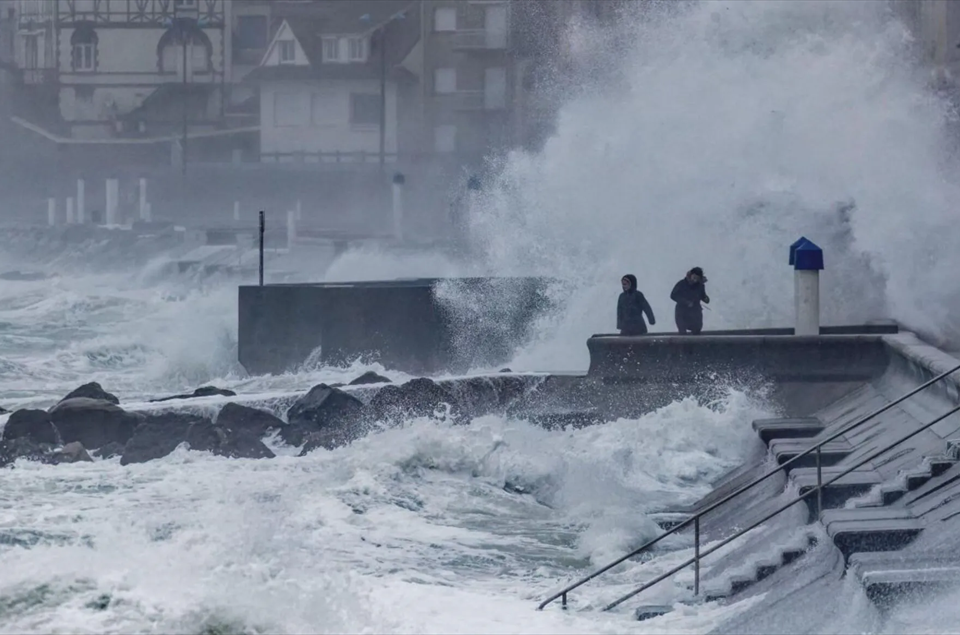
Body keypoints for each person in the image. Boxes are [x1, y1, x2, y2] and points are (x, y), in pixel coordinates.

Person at [670, 267, 710, 334]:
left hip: (695, 312)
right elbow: (673, 295)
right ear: (690, 275)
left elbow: (703, 295)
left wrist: (705, 298)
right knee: (682, 331)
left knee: (697, 330)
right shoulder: (681, 284)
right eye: (694, 277)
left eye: (697, 278)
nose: (695, 280)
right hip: (682, 312)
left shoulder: (700, 286)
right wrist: (685, 302)